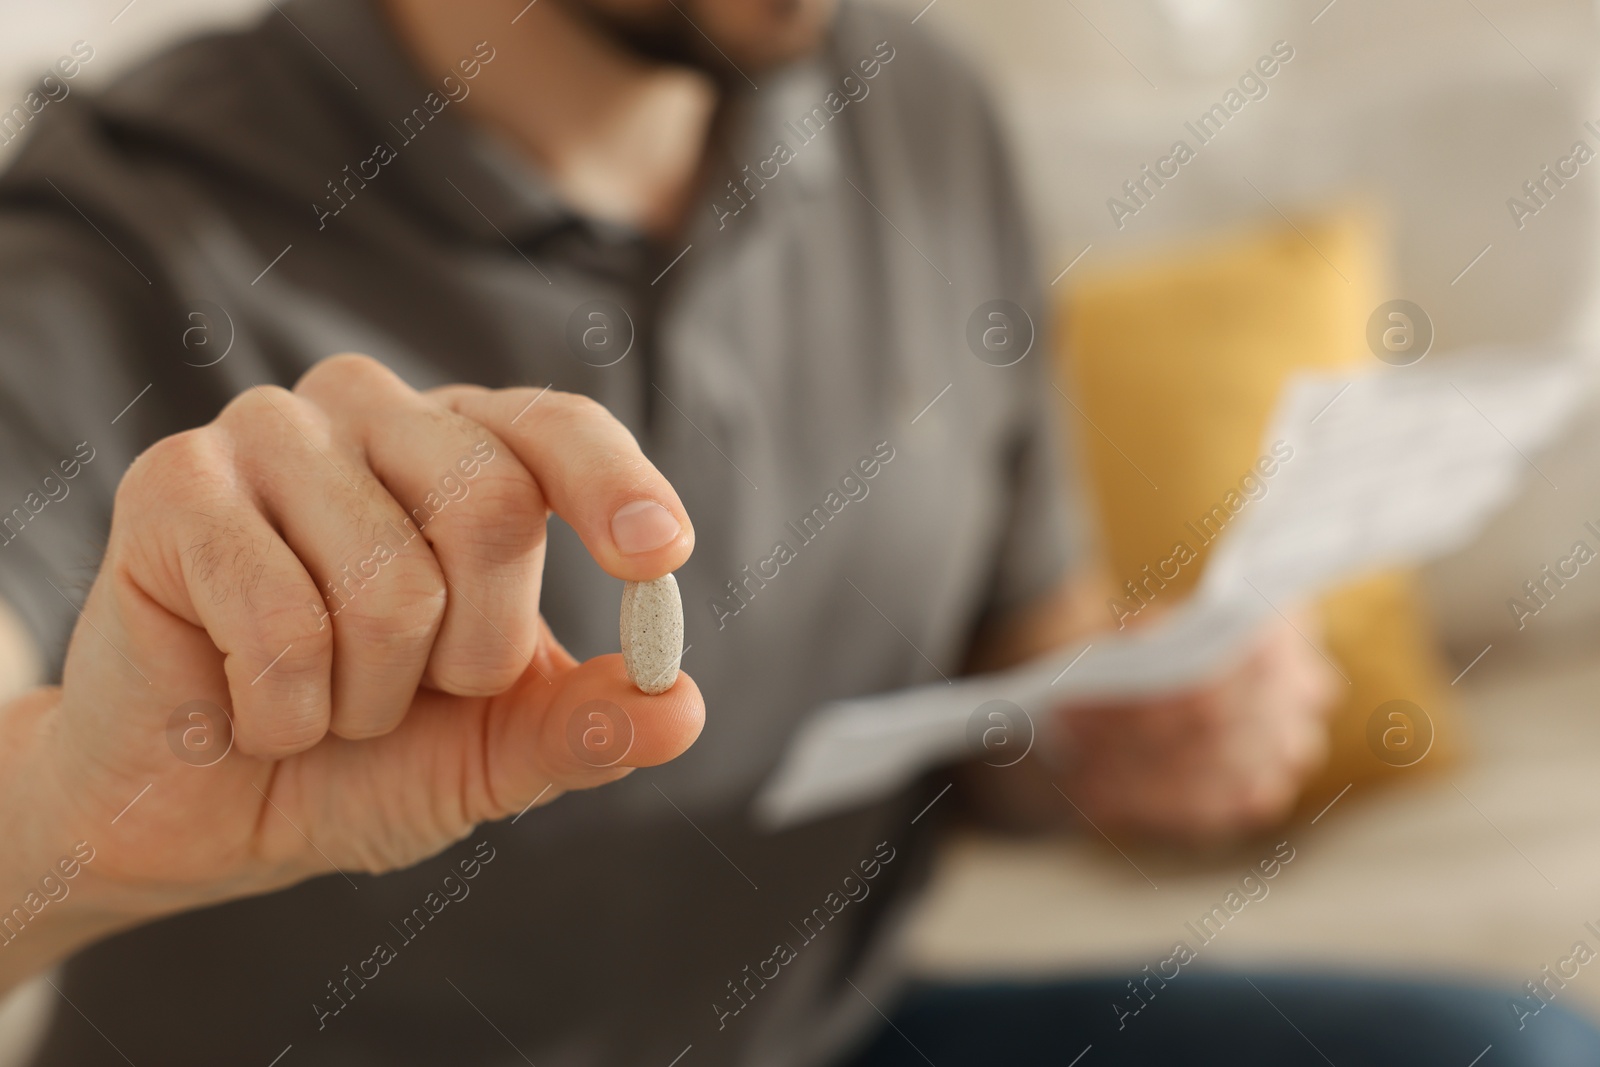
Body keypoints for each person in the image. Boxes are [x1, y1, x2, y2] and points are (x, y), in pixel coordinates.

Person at [0, 0, 1593, 1064]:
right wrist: (83, 812)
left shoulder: (921, 111)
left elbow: (1018, 666)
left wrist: (1123, 729)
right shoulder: (118, 217)